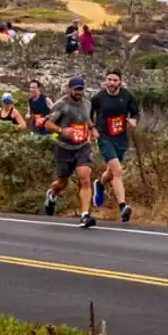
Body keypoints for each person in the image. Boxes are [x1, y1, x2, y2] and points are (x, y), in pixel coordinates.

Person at [91, 69, 141, 225]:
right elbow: (88, 114)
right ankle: (123, 206)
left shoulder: (127, 96)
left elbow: (135, 112)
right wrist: (92, 129)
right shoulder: (98, 97)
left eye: (115, 80)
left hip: (120, 138)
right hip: (104, 137)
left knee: (111, 172)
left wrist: (133, 120)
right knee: (118, 171)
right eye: (109, 79)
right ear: (105, 81)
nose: (111, 83)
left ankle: (99, 183)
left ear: (120, 82)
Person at [43, 77, 96, 222]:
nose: (79, 92)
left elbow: (86, 118)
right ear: (70, 89)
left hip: (82, 146)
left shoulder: (86, 103)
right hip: (63, 148)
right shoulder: (61, 105)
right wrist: (61, 130)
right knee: (63, 182)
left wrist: (92, 128)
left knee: (85, 179)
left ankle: (85, 214)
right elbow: (48, 124)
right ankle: (52, 194)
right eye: (76, 89)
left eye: (81, 89)